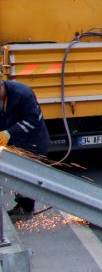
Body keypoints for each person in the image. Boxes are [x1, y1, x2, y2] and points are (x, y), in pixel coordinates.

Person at [0, 79, 50, 219]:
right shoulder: (3, 97)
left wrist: (8, 133)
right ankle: (22, 207)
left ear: (1, 85)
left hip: (32, 141)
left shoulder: (22, 93)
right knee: (15, 174)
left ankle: (25, 210)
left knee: (25, 176)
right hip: (14, 141)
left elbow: (33, 119)